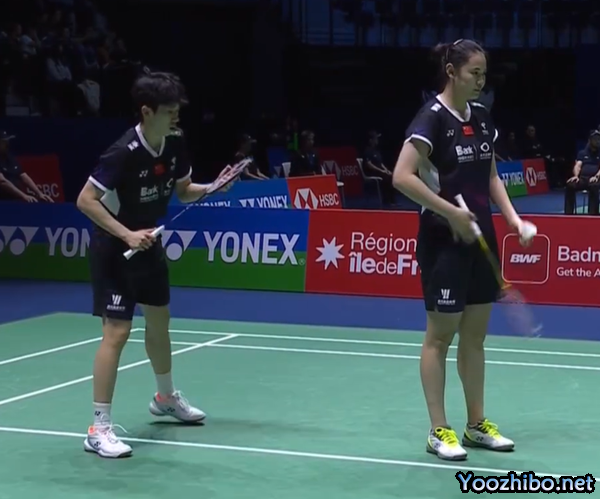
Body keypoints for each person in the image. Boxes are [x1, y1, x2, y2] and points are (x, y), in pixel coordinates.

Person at [76, 71, 232, 458]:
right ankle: (98, 428)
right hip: (115, 249)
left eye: (177, 110)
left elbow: (184, 191)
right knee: (117, 332)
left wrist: (212, 188)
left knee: (160, 322)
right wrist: (126, 234)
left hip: (149, 246)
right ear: (146, 112)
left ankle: (164, 398)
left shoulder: (174, 143)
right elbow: (85, 200)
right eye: (168, 110)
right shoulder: (123, 151)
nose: (176, 116)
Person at [392, 39, 533, 461]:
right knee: (439, 338)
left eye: (484, 74)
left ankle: (476, 424)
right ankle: (439, 430)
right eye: (474, 73)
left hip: (480, 239)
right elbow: (402, 176)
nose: (481, 81)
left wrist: (513, 218)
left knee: (475, 337)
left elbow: (490, 176)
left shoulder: (483, 118)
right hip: (443, 241)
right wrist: (449, 212)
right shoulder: (431, 119)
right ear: (452, 72)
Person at [564, 130, 600, 215]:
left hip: (596, 179)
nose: (597, 141)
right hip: (583, 179)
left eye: (599, 139)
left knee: (594, 186)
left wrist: (596, 176)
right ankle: (568, 214)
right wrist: (576, 176)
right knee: (570, 185)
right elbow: (578, 165)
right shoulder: (582, 153)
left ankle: (592, 215)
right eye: (595, 139)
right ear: (590, 140)